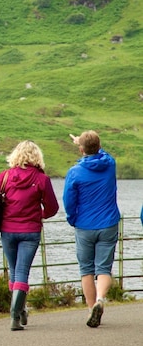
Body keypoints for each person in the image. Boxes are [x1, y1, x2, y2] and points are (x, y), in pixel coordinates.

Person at [0, 140, 59, 331]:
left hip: (8, 230)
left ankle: (19, 311)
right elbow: (52, 208)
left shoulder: (5, 177)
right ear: (36, 157)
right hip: (30, 231)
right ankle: (16, 314)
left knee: (15, 271)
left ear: (16, 155)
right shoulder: (42, 179)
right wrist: (38, 215)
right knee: (22, 272)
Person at [63, 130, 120, 328]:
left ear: (80, 150)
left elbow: (69, 201)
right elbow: (101, 153)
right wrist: (89, 143)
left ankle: (90, 309)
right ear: (99, 145)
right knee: (103, 268)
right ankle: (100, 299)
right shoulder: (110, 164)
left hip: (84, 225)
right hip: (109, 223)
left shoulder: (75, 172)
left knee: (86, 269)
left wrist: (72, 219)